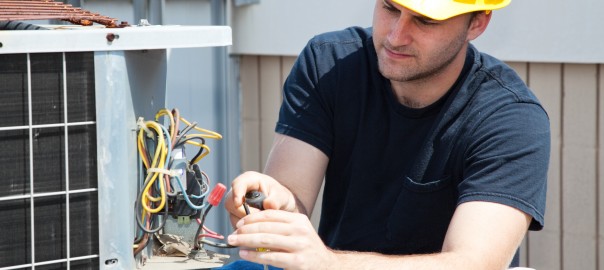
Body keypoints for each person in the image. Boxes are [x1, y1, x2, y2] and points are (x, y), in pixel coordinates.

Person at [224, 0, 550, 269]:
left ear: (477, 23)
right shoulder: (329, 64)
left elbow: (472, 263)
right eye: (390, 7)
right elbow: (291, 199)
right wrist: (275, 201)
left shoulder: (510, 118)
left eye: (424, 20)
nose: (396, 36)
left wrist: (327, 263)